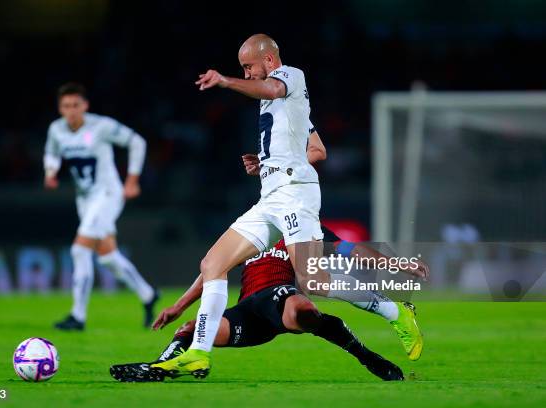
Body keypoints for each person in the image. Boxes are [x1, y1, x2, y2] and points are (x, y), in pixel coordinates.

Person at [152, 35, 426, 378]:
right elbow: (317, 150)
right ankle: (198, 354)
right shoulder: (284, 106)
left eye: (249, 67)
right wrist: (265, 164)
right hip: (272, 195)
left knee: (314, 282)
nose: (248, 74)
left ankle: (395, 312)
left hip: (296, 193)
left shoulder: (291, 77)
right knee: (213, 263)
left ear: (269, 61)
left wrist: (224, 80)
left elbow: (272, 93)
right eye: (242, 70)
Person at [110, 230, 404, 382]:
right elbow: (212, 271)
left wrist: (394, 263)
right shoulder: (253, 232)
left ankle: (367, 357)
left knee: (304, 310)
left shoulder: (306, 227)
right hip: (250, 314)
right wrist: (178, 306)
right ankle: (163, 366)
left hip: (281, 295)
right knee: (190, 330)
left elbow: (348, 250)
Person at [43, 82, 158, 330]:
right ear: (60, 108)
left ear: (85, 105)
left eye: (76, 105)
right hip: (84, 198)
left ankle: (78, 316)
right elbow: (51, 152)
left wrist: (132, 180)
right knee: (107, 258)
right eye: (66, 106)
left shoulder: (101, 126)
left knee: (79, 250)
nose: (71, 110)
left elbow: (137, 142)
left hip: (107, 194)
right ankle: (148, 294)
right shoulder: (56, 129)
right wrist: (50, 171)